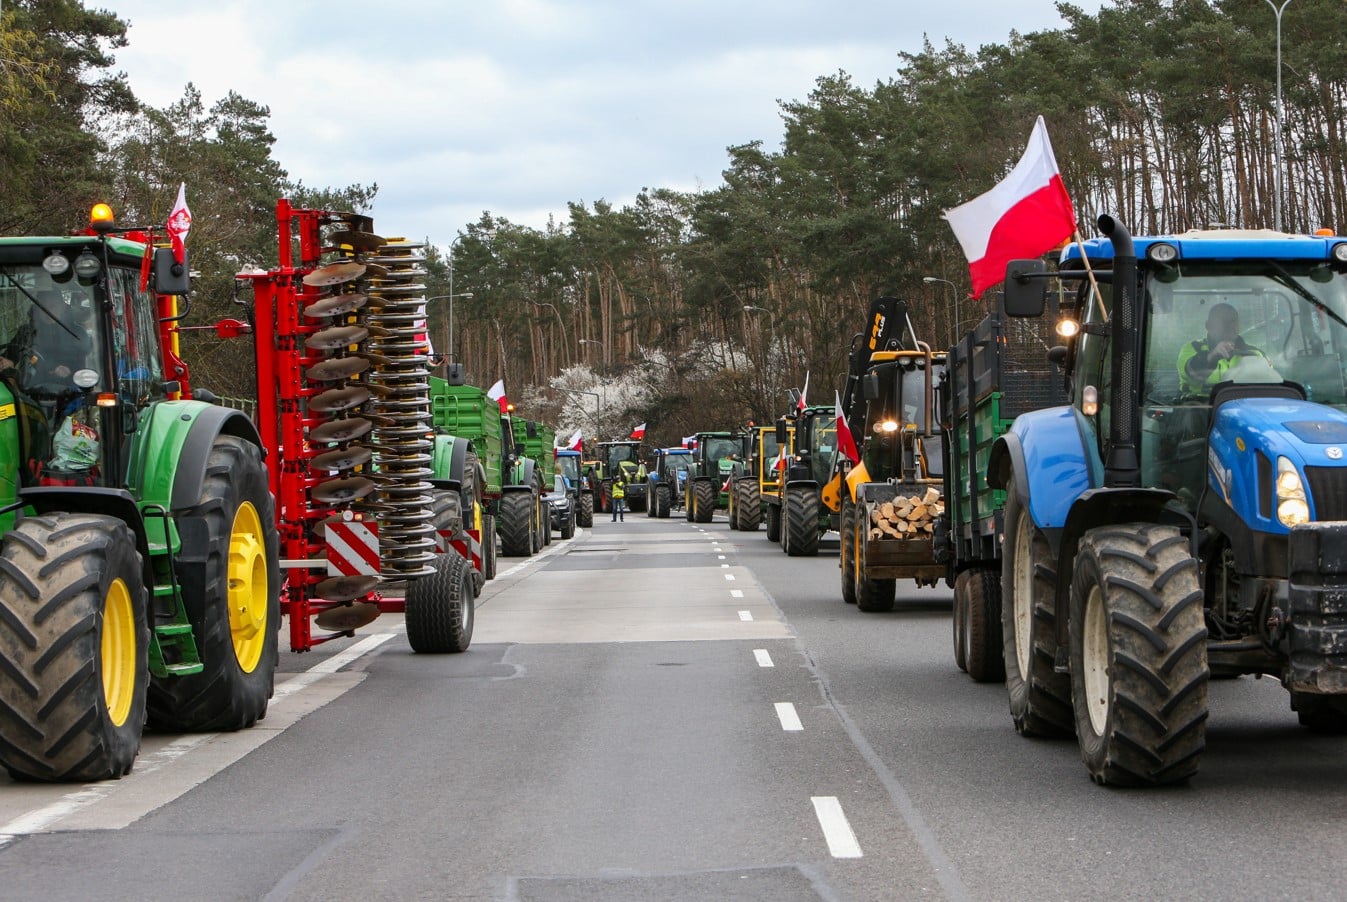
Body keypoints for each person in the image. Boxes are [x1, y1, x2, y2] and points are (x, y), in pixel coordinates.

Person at [1176, 303, 1272, 396]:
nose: (1230, 325)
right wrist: (1212, 356)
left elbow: (1269, 382)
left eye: (1233, 321)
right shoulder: (1193, 348)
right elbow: (1190, 371)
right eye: (1223, 321)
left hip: (1242, 403)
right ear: (1208, 325)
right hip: (1200, 403)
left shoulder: (1255, 353)